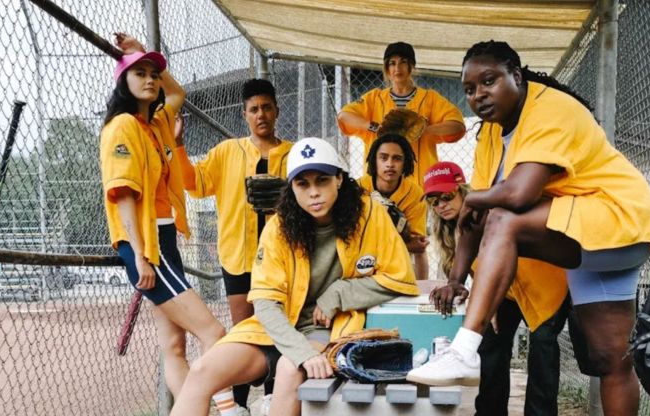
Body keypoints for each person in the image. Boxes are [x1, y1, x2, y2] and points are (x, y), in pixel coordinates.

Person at [407, 41, 650, 416]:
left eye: (489, 81)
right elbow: (473, 221)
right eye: (469, 89)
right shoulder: (491, 135)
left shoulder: (551, 109)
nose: (479, 95)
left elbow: (516, 195)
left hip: (617, 218)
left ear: (516, 75)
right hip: (591, 241)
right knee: (613, 359)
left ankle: (464, 350)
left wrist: (475, 199)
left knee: (502, 217)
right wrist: (457, 279)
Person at [170, 138, 419, 416]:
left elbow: (400, 277)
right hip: (277, 328)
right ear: (292, 188)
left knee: (289, 369)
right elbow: (264, 303)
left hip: (326, 328)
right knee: (202, 371)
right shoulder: (279, 226)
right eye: (303, 184)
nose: (314, 192)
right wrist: (302, 351)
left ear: (339, 179)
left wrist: (338, 293)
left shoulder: (368, 214)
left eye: (321, 180)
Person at [98, 33, 231, 411]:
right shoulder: (122, 126)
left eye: (154, 73)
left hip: (165, 238)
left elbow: (178, 94)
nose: (151, 79)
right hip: (145, 244)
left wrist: (142, 48)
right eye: (139, 72)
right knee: (214, 332)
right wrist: (140, 256)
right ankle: (229, 409)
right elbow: (123, 193)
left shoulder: (154, 124)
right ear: (122, 80)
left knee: (174, 346)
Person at [175, 78, 291, 415]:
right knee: (243, 330)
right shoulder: (228, 151)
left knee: (277, 327)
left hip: (281, 262)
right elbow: (195, 185)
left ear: (276, 111)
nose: (261, 114)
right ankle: (238, 405)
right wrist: (179, 146)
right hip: (239, 258)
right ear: (244, 115)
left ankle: (272, 398)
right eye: (254, 109)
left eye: (266, 107)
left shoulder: (292, 153)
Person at [423, 161, 569, 416]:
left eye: (446, 196)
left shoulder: (483, 212)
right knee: (489, 344)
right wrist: (487, 302)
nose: (441, 205)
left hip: (541, 283)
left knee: (542, 350)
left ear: (463, 191)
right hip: (505, 290)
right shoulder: (446, 232)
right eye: (433, 201)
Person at [337, 41, 466, 186]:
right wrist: (374, 127)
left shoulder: (430, 98)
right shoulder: (374, 99)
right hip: (380, 185)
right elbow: (344, 116)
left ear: (411, 66)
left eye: (403, 62)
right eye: (392, 63)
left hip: (421, 183)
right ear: (386, 68)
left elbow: (457, 126)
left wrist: (423, 130)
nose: (397, 68)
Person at [357, 133, 429, 279]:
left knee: (421, 250)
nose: (390, 164)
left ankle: (420, 294)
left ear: (405, 163)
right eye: (383, 158)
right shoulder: (358, 188)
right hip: (361, 254)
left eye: (397, 158)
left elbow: (416, 242)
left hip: (397, 257)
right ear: (374, 161)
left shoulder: (415, 193)